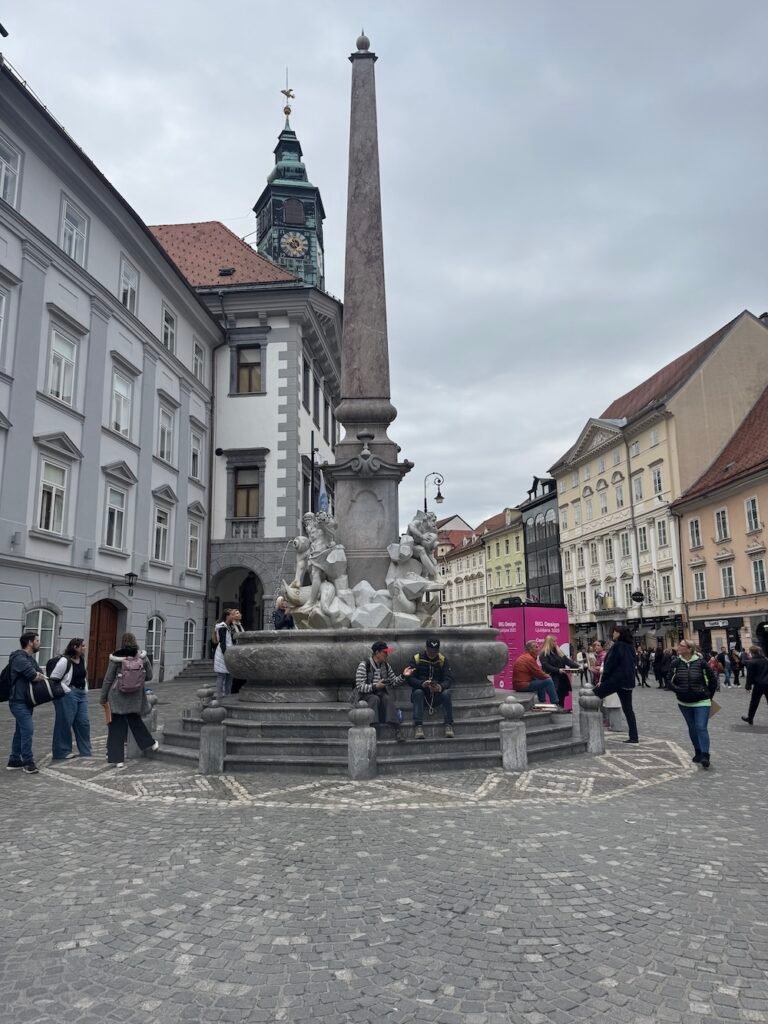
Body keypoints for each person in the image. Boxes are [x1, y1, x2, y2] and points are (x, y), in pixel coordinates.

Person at [99, 632, 157, 768]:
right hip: (135, 696)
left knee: (116, 726)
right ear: (135, 641)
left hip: (117, 696)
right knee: (135, 721)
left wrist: (103, 697)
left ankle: (117, 759)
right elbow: (149, 676)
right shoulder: (142, 657)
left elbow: (108, 679)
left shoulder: (116, 658)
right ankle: (150, 743)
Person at [668, 639, 717, 769]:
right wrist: (678, 690)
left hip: (702, 701)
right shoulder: (676, 663)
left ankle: (705, 755)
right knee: (692, 727)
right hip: (684, 702)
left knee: (701, 727)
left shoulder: (701, 663)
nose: (678, 647)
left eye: (681, 645)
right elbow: (669, 680)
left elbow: (713, 681)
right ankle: (698, 751)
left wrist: (707, 695)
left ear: (689, 649)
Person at [5, 631, 46, 774]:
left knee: (20, 731)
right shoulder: (19, 658)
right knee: (28, 729)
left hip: (26, 701)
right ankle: (28, 763)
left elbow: (40, 673)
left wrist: (38, 675)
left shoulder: (30, 658)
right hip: (18, 701)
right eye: (37, 640)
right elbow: (34, 675)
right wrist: (37, 675)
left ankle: (14, 760)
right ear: (30, 642)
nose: (39, 643)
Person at [593, 625, 639, 743]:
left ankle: (592, 728)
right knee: (628, 709)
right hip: (628, 681)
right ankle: (634, 736)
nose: (612, 634)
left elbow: (610, 664)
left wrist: (602, 682)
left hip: (616, 680)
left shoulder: (617, 646)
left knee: (592, 695)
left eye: (614, 632)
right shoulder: (630, 647)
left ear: (618, 633)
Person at [402, 637, 455, 738]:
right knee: (418, 692)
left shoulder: (442, 660)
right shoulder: (416, 659)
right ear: (426, 648)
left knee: (446, 693)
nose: (432, 654)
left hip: (436, 695)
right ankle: (418, 726)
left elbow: (448, 679)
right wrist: (422, 684)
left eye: (435, 651)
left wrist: (440, 687)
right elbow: (409, 679)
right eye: (430, 651)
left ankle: (448, 725)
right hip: (421, 694)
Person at [352, 640, 404, 742]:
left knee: (387, 698)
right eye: (384, 652)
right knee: (374, 698)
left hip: (380, 693)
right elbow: (360, 686)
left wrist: (404, 675)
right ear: (377, 653)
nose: (387, 654)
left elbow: (394, 682)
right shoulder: (364, 665)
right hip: (365, 695)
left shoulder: (386, 665)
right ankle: (373, 729)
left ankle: (397, 728)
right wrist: (375, 686)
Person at [51, 638, 92, 761]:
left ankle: (86, 751)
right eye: (82, 646)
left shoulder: (82, 659)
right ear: (75, 647)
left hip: (81, 693)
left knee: (83, 723)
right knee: (65, 722)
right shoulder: (65, 661)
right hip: (68, 693)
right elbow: (54, 678)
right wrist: (67, 690)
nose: (84, 648)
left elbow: (84, 676)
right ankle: (61, 751)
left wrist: (85, 689)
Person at [512, 641, 560, 706]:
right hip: (522, 686)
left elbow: (537, 673)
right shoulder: (529, 658)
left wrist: (544, 675)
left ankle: (542, 701)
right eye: (536, 647)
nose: (539, 648)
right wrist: (548, 676)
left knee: (541, 680)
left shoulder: (526, 657)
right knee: (548, 681)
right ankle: (556, 703)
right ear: (530, 649)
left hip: (520, 685)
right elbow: (539, 673)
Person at [538, 635, 579, 708]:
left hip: (562, 678)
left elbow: (567, 661)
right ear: (549, 642)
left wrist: (578, 666)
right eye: (554, 641)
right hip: (552, 678)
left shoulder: (558, 652)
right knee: (555, 696)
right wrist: (558, 670)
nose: (556, 643)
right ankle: (556, 712)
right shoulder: (543, 654)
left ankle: (561, 709)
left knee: (562, 695)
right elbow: (546, 666)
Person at [742, 644, 768, 725]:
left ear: (751, 652)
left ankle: (750, 718)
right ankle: (749, 718)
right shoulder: (766, 660)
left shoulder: (752, 662)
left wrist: (748, 686)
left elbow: (750, 675)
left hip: (758, 685)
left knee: (754, 702)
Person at [213, 608, 236, 698]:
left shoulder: (230, 626)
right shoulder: (222, 627)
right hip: (223, 653)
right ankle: (219, 695)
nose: (233, 616)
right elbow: (223, 642)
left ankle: (228, 695)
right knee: (221, 675)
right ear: (227, 616)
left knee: (229, 675)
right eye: (232, 615)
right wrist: (225, 653)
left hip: (229, 651)